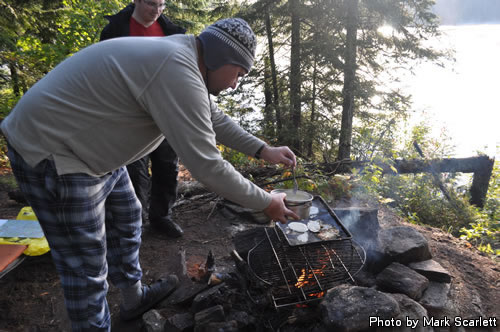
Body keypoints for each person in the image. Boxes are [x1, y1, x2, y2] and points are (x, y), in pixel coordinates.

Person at [1, 18, 299, 331]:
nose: (235, 83)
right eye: (238, 73)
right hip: (54, 153)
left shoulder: (186, 60)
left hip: (91, 149)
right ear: (219, 57)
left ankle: (133, 300)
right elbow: (207, 166)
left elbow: (213, 117)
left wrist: (263, 150)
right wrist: (266, 202)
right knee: (86, 267)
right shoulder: (176, 69)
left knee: (128, 218)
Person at [100, 0, 186, 237]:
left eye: (162, 5)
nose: (156, 10)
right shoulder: (115, 29)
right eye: (151, 4)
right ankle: (133, 222)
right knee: (134, 170)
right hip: (129, 114)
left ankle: (161, 217)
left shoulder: (172, 32)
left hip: (164, 111)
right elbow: (103, 69)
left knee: (167, 166)